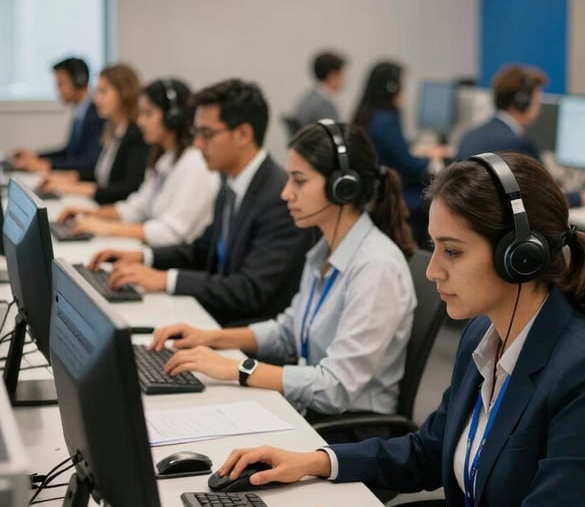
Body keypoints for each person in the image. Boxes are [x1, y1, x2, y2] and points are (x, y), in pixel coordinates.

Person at [216, 151, 585, 507]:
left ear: (520, 256)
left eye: (453, 251)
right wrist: (315, 460)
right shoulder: (484, 336)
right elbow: (427, 450)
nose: (433, 270)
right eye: (434, 248)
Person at [149, 121, 417, 419]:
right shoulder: (323, 251)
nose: (285, 193)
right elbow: (287, 332)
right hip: (306, 410)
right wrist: (210, 337)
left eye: (299, 181)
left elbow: (335, 388)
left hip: (348, 433)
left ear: (343, 188)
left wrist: (237, 368)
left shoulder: (376, 269)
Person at [88, 78, 313, 326]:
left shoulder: (278, 197)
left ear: (243, 134)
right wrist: (143, 257)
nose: (197, 143)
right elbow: (201, 251)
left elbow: (250, 290)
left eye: (206, 134)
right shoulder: (231, 183)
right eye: (197, 133)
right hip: (219, 317)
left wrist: (166, 280)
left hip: (246, 332)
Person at [55, 79, 219, 246]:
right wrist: (92, 214)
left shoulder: (194, 164)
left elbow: (171, 232)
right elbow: (136, 207)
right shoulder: (164, 158)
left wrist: (108, 228)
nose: (140, 121)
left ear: (173, 118)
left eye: (148, 114)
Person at [456, 64, 585, 208]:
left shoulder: (469, 136)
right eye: (536, 99)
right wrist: (580, 198)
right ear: (522, 101)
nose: (538, 106)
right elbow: (545, 199)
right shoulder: (519, 145)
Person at [353, 61, 450, 245]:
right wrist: (434, 162)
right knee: (440, 193)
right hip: (395, 196)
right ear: (392, 88)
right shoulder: (386, 120)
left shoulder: (367, 115)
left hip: (375, 195)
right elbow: (409, 166)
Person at [38, 63, 149, 204]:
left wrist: (79, 188)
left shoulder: (137, 135)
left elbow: (128, 189)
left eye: (103, 92)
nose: (96, 99)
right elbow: (100, 174)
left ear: (123, 93)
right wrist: (70, 178)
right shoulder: (112, 130)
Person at [12, 56, 103, 177]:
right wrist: (37, 156)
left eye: (61, 83)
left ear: (79, 81)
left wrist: (48, 164)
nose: (58, 89)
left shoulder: (97, 114)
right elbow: (70, 152)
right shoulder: (81, 111)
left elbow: (89, 161)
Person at [292, 49, 347, 128]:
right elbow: (336, 136)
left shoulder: (309, 98)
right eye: (342, 74)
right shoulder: (324, 106)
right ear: (332, 76)